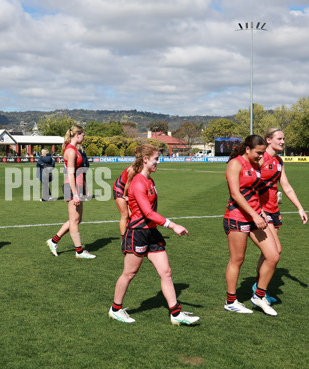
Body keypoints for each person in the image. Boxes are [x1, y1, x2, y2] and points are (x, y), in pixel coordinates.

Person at [108, 144, 198, 325]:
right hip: (138, 233)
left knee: (166, 272)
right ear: (146, 159)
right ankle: (115, 309)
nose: (159, 161)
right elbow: (148, 213)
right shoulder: (138, 183)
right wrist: (173, 225)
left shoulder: (150, 181)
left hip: (152, 233)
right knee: (129, 273)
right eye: (156, 159)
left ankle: (176, 313)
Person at [223, 135, 280, 316]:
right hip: (237, 216)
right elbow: (235, 193)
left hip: (256, 216)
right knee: (237, 260)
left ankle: (259, 296)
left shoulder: (256, 165)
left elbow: (254, 191)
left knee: (273, 255)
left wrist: (260, 211)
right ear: (247, 149)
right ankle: (231, 301)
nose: (261, 157)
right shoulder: (235, 163)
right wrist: (255, 214)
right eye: (258, 153)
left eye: (263, 153)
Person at [252, 128, 308, 303]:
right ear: (268, 140)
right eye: (280, 138)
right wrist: (258, 210)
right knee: (274, 252)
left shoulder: (279, 161)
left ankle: (259, 287)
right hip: (262, 212)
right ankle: (258, 291)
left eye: (284, 138)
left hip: (274, 210)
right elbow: (249, 185)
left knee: (271, 253)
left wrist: (300, 208)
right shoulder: (260, 159)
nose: (283, 142)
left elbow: (286, 186)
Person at [46, 125, 95, 259]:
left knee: (76, 219)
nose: (84, 137)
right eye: (83, 135)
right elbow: (71, 173)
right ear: (77, 135)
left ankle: (53, 241)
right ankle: (79, 251)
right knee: (74, 220)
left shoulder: (74, 149)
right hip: (73, 186)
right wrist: (75, 193)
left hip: (77, 185)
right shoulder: (71, 151)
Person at [113, 165, 136, 236]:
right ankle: (124, 240)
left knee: (132, 214)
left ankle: (131, 235)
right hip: (120, 188)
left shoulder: (144, 169)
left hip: (129, 189)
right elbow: (128, 183)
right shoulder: (133, 170)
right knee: (125, 215)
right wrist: (125, 196)